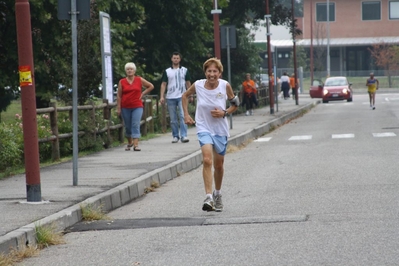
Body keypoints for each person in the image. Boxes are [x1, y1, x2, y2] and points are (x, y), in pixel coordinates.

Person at [182, 58, 239, 212]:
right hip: (203, 127)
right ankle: (208, 197)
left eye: (215, 71)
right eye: (209, 71)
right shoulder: (198, 85)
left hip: (220, 129)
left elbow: (236, 103)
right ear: (205, 72)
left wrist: (224, 112)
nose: (212, 74)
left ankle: (218, 193)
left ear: (219, 73)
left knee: (219, 166)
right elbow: (185, 96)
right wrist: (186, 115)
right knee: (207, 160)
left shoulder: (224, 85)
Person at [117, 62, 154, 151]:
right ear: (126, 71)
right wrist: (118, 107)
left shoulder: (139, 79)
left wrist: (143, 93)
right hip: (125, 106)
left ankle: (136, 144)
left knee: (135, 124)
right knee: (128, 125)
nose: (129, 71)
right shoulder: (122, 81)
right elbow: (119, 95)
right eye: (128, 69)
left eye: (131, 69)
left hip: (137, 105)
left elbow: (151, 86)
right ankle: (130, 142)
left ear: (134, 70)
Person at [160, 52, 192, 143]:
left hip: (182, 96)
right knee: (173, 118)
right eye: (174, 58)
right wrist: (162, 96)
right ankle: (175, 135)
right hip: (170, 96)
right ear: (171, 59)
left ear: (180, 59)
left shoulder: (184, 70)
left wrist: (190, 94)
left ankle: (184, 135)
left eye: (177, 58)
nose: (176, 60)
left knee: (182, 115)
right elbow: (163, 84)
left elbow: (188, 83)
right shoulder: (167, 71)